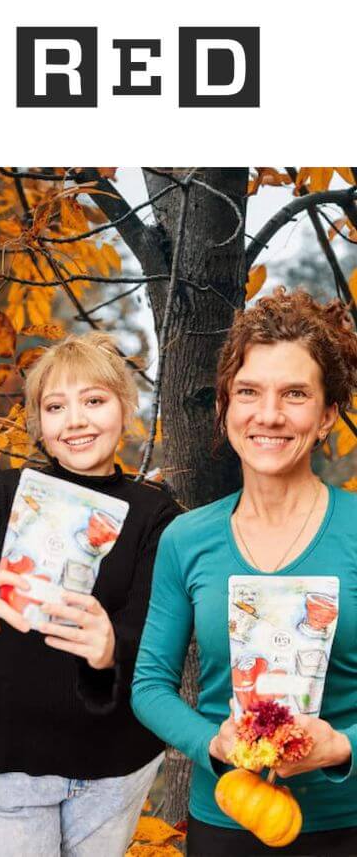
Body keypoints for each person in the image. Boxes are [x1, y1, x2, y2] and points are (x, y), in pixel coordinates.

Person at [132, 287, 357, 856]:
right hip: (226, 822)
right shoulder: (186, 539)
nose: (269, 415)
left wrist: (340, 748)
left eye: (295, 394)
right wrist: (214, 742)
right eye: (249, 392)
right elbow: (149, 687)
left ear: (328, 413)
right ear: (224, 407)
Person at [0, 331, 181, 856]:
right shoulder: (2, 496)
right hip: (3, 761)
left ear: (125, 408)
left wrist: (114, 646)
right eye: (55, 407)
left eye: (94, 401)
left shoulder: (156, 515)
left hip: (113, 766)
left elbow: (159, 628)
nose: (75, 420)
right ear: (39, 424)